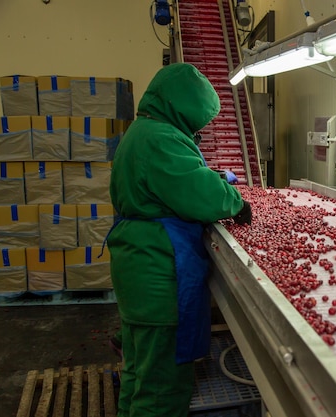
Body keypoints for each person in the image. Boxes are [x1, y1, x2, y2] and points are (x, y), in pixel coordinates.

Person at [107, 62, 251, 417]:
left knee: (139, 371)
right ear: (184, 107)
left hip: (138, 266)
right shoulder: (161, 139)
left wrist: (214, 176)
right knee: (161, 389)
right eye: (200, 118)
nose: (202, 127)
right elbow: (196, 191)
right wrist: (235, 203)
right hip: (158, 273)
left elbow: (174, 179)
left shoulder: (146, 131)